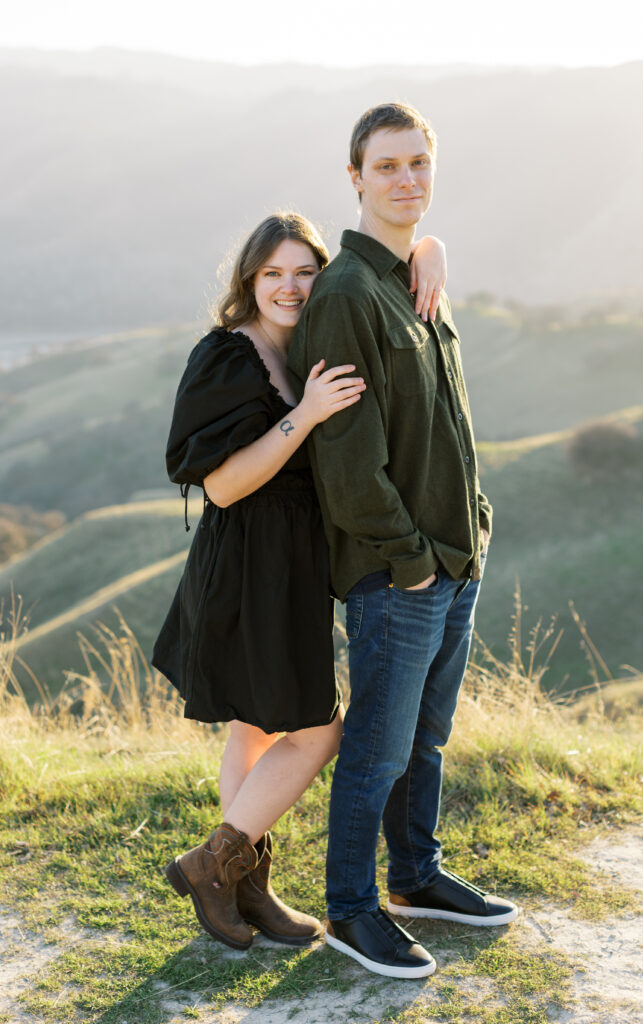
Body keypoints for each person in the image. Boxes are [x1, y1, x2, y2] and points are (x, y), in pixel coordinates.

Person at [152, 211, 447, 952]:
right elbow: (220, 486)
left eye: (303, 272)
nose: (288, 287)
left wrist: (432, 250)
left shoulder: (302, 345)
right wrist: (307, 415)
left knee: (254, 724)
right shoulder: (228, 355)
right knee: (318, 732)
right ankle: (213, 864)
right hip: (249, 567)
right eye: (271, 274)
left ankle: (246, 887)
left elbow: (391, 243)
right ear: (248, 281)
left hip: (291, 565)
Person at [288, 102, 518, 981]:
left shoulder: (413, 273)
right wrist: (413, 560)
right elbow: (346, 462)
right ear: (354, 178)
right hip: (398, 572)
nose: (406, 179)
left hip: (455, 555)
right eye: (386, 167)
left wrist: (466, 536)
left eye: (418, 162)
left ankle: (415, 878)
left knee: (424, 737)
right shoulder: (345, 295)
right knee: (380, 745)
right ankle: (352, 908)